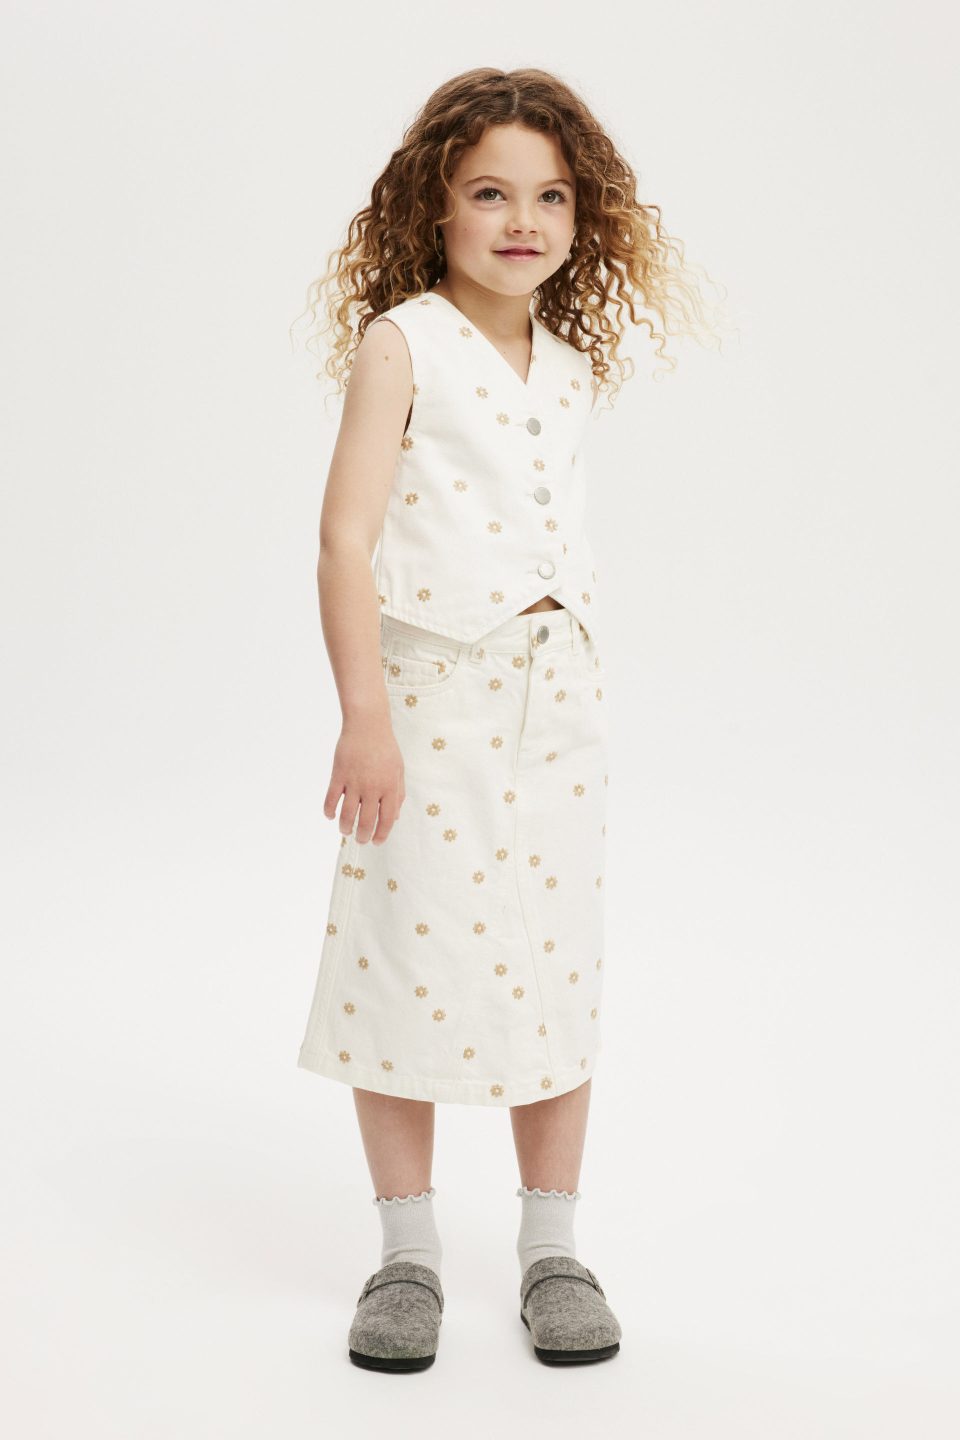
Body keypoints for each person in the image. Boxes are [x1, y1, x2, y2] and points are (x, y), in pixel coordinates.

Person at [292, 66, 721, 1371]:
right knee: (404, 952)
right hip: (430, 698)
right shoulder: (403, 343)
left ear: (583, 217)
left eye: (550, 197)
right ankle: (407, 1253)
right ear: (435, 207)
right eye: (489, 193)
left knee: (557, 960)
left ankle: (552, 1246)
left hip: (559, 701)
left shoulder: (570, 366)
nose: (522, 220)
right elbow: (345, 539)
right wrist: (365, 715)